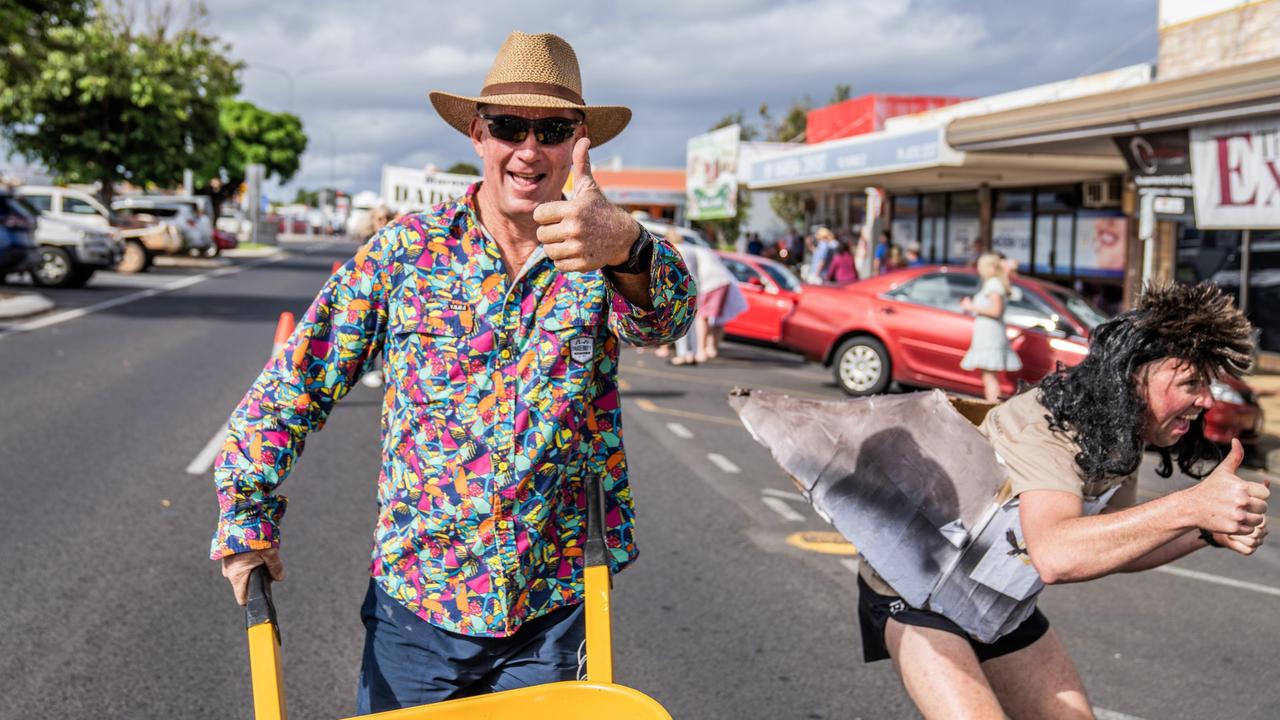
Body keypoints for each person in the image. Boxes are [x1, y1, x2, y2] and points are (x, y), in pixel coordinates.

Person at [209, 31, 694, 713]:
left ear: (580, 141)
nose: (529, 150)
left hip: (552, 608)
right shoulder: (407, 251)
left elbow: (666, 320)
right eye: (508, 127)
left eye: (551, 129)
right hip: (418, 610)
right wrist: (245, 516)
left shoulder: (605, 249)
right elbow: (295, 381)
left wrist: (628, 245)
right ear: (477, 133)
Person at [858, 281, 1266, 720]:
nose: (1205, 400)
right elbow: (1056, 555)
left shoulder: (1117, 434)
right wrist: (1190, 505)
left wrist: (1206, 530)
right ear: (1133, 375)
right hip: (919, 599)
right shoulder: (1045, 426)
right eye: (1190, 383)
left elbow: (1118, 541)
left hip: (996, 603)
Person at [960, 253, 1022, 402]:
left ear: (988, 268)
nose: (979, 269)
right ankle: (993, 407)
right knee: (989, 375)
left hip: (990, 334)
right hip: (990, 332)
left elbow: (996, 310)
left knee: (989, 376)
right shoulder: (995, 282)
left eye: (981, 266)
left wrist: (971, 306)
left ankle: (993, 408)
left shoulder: (994, 284)